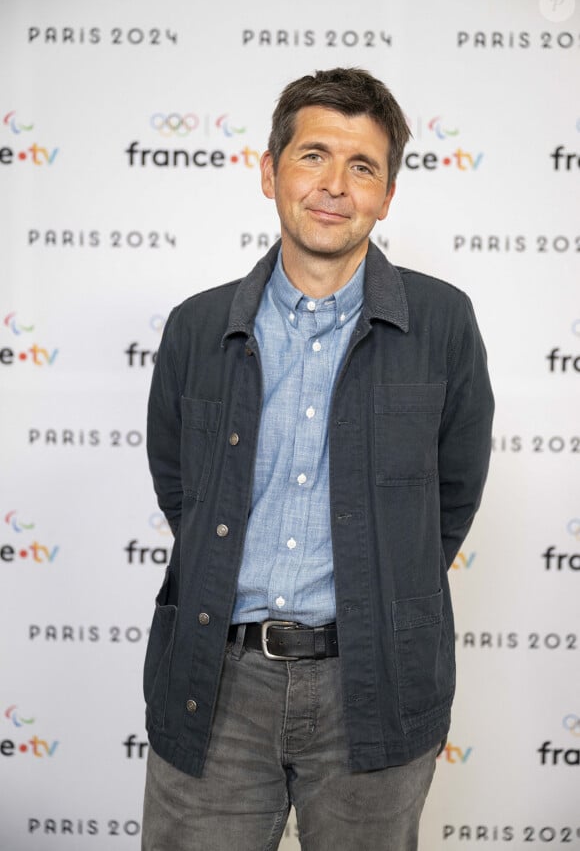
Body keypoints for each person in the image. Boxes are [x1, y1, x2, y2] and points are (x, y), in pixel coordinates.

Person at [142, 67, 494, 851]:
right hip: (215, 682)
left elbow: (453, 493)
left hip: (374, 683)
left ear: (388, 194)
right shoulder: (197, 328)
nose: (335, 185)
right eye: (313, 156)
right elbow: (183, 490)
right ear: (269, 171)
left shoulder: (442, 322)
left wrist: (381, 584)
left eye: (363, 166)